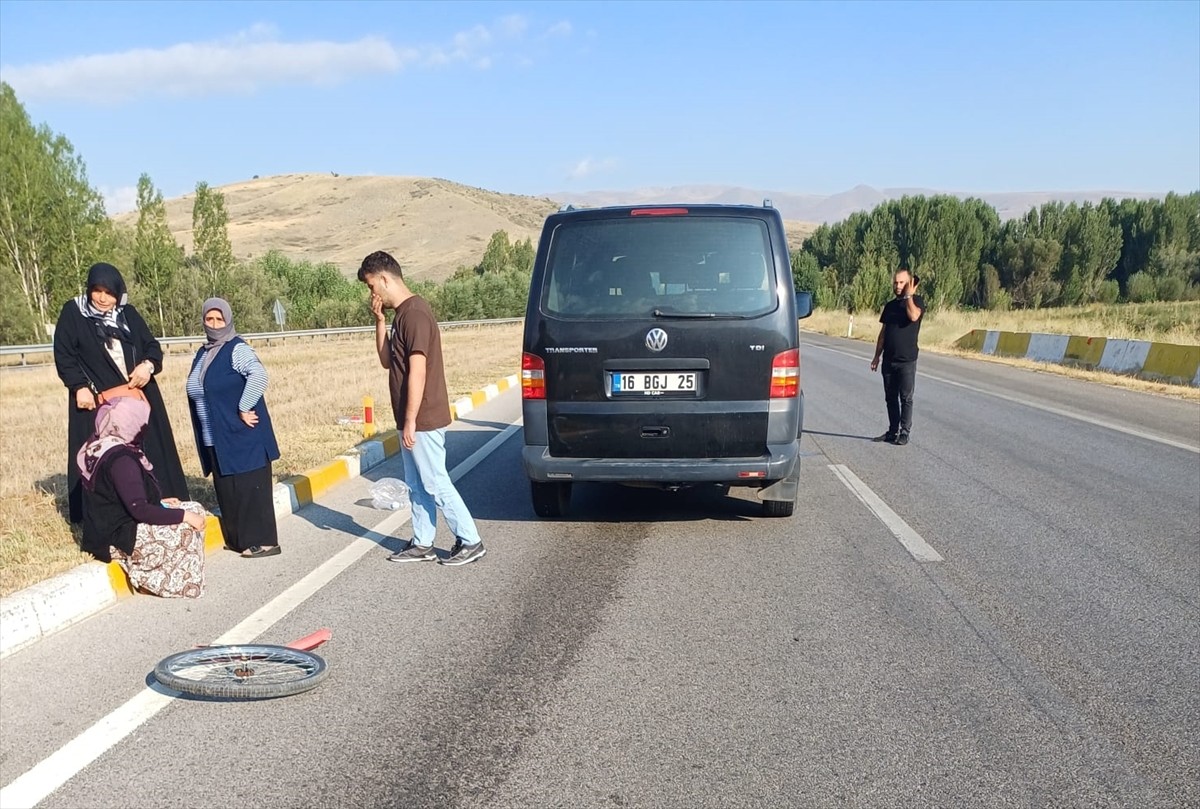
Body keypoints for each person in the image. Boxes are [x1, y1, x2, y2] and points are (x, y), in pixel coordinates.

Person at [358, 250, 486, 566]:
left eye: (372, 286)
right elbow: (388, 361)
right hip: (410, 417)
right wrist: (379, 322)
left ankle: (470, 540)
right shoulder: (401, 315)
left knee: (435, 482)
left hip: (423, 417)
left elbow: (418, 370)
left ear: (385, 278)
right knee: (416, 484)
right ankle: (423, 542)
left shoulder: (415, 314)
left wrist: (412, 420)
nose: (372, 294)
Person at [54, 262, 190, 524]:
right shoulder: (74, 313)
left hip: (138, 397)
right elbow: (64, 355)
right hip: (99, 402)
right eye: (97, 290)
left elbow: (152, 346)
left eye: (109, 292)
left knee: (150, 452)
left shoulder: (128, 314)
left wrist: (147, 366)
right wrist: (78, 386)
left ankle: (159, 504)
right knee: (106, 456)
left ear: (119, 292)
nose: (103, 298)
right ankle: (109, 516)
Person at [78, 396, 208, 598]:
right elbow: (139, 509)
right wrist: (184, 516)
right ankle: (154, 579)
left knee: (194, 508)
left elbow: (117, 496)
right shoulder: (121, 459)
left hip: (108, 527)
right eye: (140, 422)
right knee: (188, 523)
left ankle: (163, 571)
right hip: (118, 537)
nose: (144, 428)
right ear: (129, 424)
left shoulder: (100, 445)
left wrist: (161, 503)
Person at [185, 298, 282, 558]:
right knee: (229, 489)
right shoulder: (203, 353)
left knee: (251, 487)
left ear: (228, 320)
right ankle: (239, 539)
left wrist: (243, 406)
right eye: (209, 319)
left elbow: (259, 375)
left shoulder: (236, 349)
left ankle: (265, 542)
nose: (215, 325)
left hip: (241, 433)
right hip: (215, 436)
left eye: (220, 319)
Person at [870, 268, 926, 446]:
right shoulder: (890, 306)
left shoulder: (917, 302)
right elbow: (883, 333)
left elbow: (914, 316)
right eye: (896, 282)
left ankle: (904, 432)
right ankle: (892, 430)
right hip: (889, 360)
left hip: (907, 360)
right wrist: (876, 356)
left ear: (909, 283)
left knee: (906, 397)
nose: (897, 285)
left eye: (902, 282)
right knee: (890, 397)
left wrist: (909, 296)